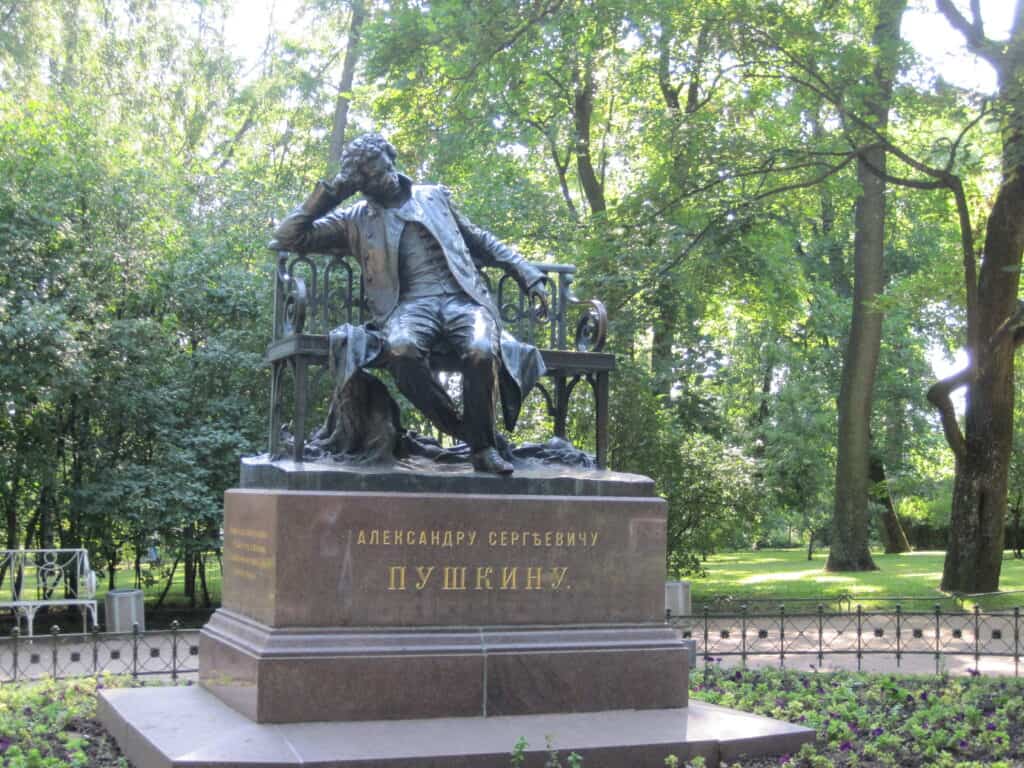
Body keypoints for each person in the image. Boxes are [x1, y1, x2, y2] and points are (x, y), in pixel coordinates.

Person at [270, 134, 549, 475]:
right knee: (400, 348)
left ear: (392, 159)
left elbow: (479, 239)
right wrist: (332, 192)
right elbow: (288, 236)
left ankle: (481, 447)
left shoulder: (434, 196)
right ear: (361, 184)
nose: (384, 177)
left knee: (481, 351)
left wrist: (528, 273)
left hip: (464, 300)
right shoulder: (355, 218)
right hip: (410, 308)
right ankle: (474, 438)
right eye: (372, 176)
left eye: (385, 166)